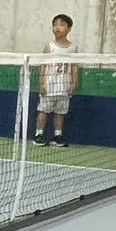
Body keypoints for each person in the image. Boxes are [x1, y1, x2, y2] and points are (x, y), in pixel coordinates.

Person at [33, 13, 78, 147]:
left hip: (64, 87)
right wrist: (42, 83)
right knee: (43, 110)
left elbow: (74, 67)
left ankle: (58, 135)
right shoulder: (49, 46)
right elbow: (43, 66)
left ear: (69, 29)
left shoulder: (73, 48)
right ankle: (39, 134)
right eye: (55, 25)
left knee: (60, 112)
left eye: (62, 25)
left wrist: (73, 83)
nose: (58, 28)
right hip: (49, 86)